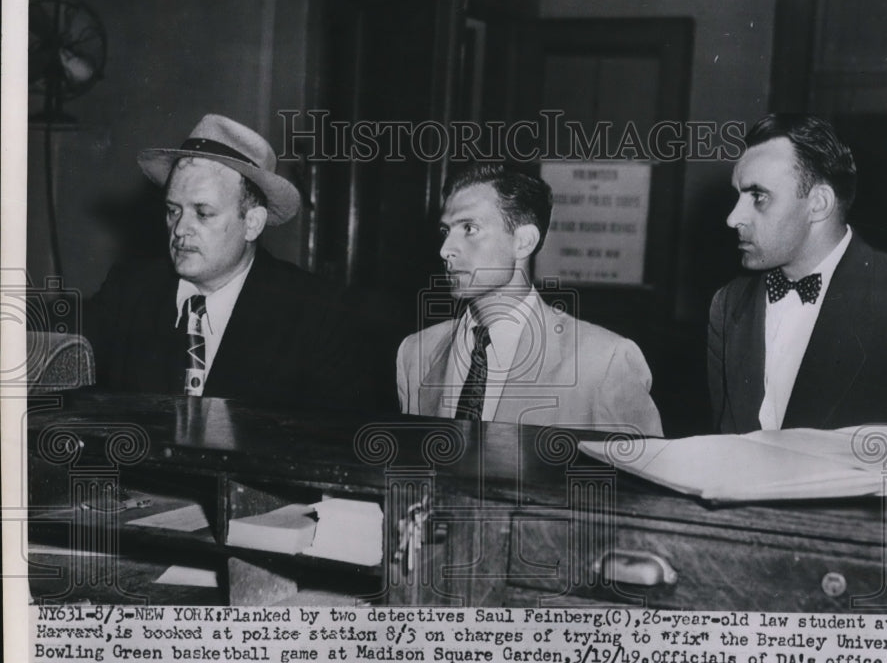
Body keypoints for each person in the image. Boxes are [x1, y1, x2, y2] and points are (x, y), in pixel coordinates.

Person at [708, 113, 887, 449]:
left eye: (758, 196)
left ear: (818, 204)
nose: (733, 218)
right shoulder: (728, 304)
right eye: (738, 196)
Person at [85, 113, 370, 410]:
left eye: (203, 213)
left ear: (252, 223)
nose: (180, 229)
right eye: (173, 210)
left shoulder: (316, 315)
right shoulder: (128, 292)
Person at [396, 164, 663, 436]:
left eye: (469, 228)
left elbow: (640, 474)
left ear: (524, 242)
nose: (445, 250)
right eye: (445, 231)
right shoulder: (416, 353)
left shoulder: (605, 362)